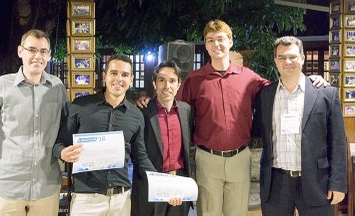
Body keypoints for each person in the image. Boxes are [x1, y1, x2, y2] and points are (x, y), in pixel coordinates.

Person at [138, 20, 328, 216]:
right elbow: (170, 107)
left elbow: (281, 88)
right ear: (206, 44)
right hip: (207, 159)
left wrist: (309, 80)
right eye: (210, 40)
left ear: (230, 41)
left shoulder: (249, 78)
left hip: (240, 157)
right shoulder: (195, 79)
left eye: (220, 39)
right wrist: (148, 101)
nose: (216, 44)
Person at [53, 54, 177, 216]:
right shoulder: (80, 106)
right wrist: (63, 153)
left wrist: (164, 187)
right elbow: (59, 143)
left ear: (131, 79)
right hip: (86, 199)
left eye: (125, 75)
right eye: (114, 73)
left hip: (121, 200)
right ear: (104, 76)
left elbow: (140, 157)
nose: (119, 78)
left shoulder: (136, 115)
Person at [0, 29, 69, 216]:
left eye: (43, 51)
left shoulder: (58, 88)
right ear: (20, 51)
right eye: (31, 50)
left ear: (49, 55)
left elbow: (67, 131)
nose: (37, 56)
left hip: (46, 190)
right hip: (6, 190)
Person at [252, 36, 346, 215]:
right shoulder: (265, 95)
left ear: (302, 58)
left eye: (293, 56)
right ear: (276, 61)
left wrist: (338, 183)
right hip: (276, 183)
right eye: (282, 57)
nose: (287, 61)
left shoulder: (326, 94)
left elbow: (338, 142)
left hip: (316, 182)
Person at [131, 60, 194, 216]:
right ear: (154, 83)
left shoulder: (186, 110)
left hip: (179, 183)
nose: (167, 86)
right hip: (150, 183)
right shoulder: (142, 111)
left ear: (179, 84)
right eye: (161, 80)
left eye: (172, 81)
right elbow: (137, 153)